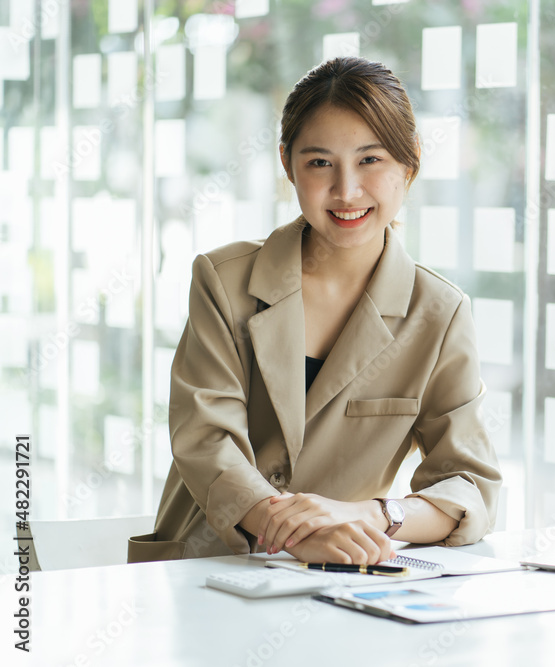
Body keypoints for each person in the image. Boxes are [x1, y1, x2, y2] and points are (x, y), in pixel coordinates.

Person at [128, 57, 502, 565]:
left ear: (409, 161)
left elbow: (470, 485)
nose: (347, 191)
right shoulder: (223, 280)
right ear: (288, 166)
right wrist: (299, 533)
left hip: (341, 574)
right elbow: (206, 440)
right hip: (207, 565)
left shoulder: (439, 312)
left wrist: (374, 516)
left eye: (370, 160)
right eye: (320, 163)